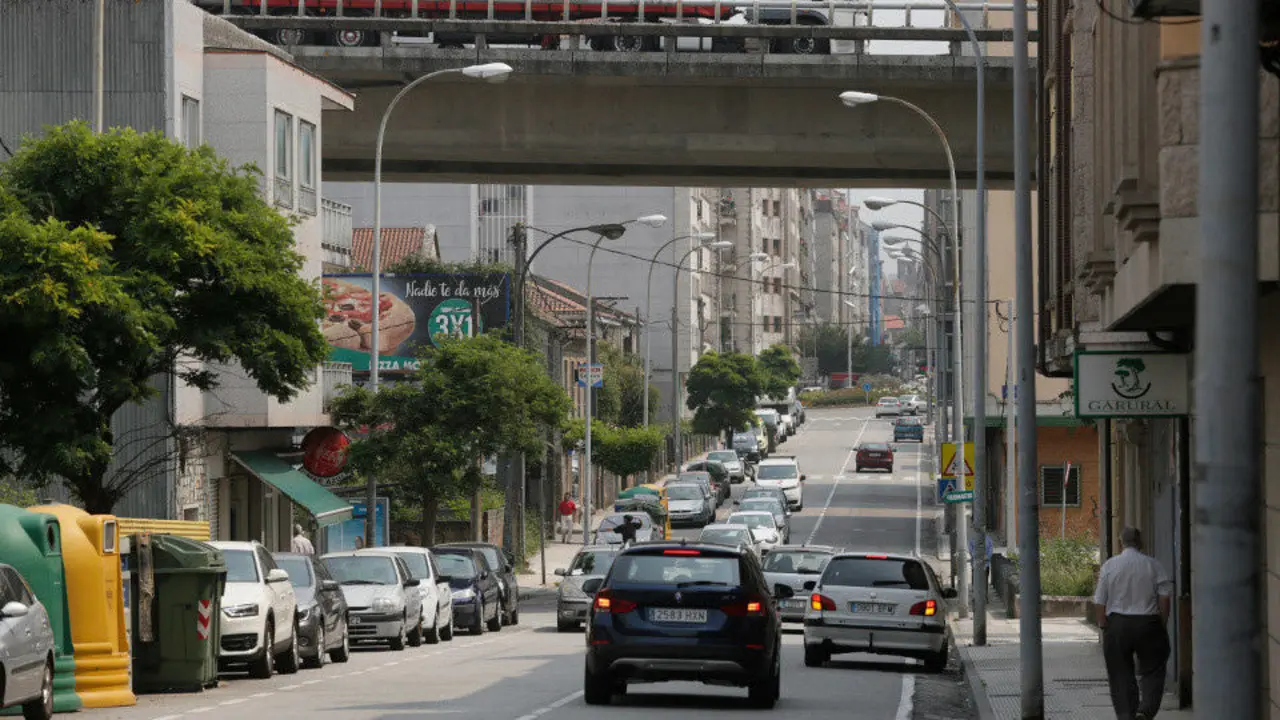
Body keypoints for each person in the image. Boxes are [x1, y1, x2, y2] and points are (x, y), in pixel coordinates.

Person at [1094, 527, 1173, 720]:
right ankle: (1145, 711)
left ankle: (1126, 715)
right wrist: (1161, 624)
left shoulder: (1110, 566)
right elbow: (1164, 598)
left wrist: (1103, 625)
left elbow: (1100, 600)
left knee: (1119, 673)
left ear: (1121, 542)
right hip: (1148, 623)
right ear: (1140, 542)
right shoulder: (1153, 565)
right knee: (1154, 669)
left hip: (1118, 624)